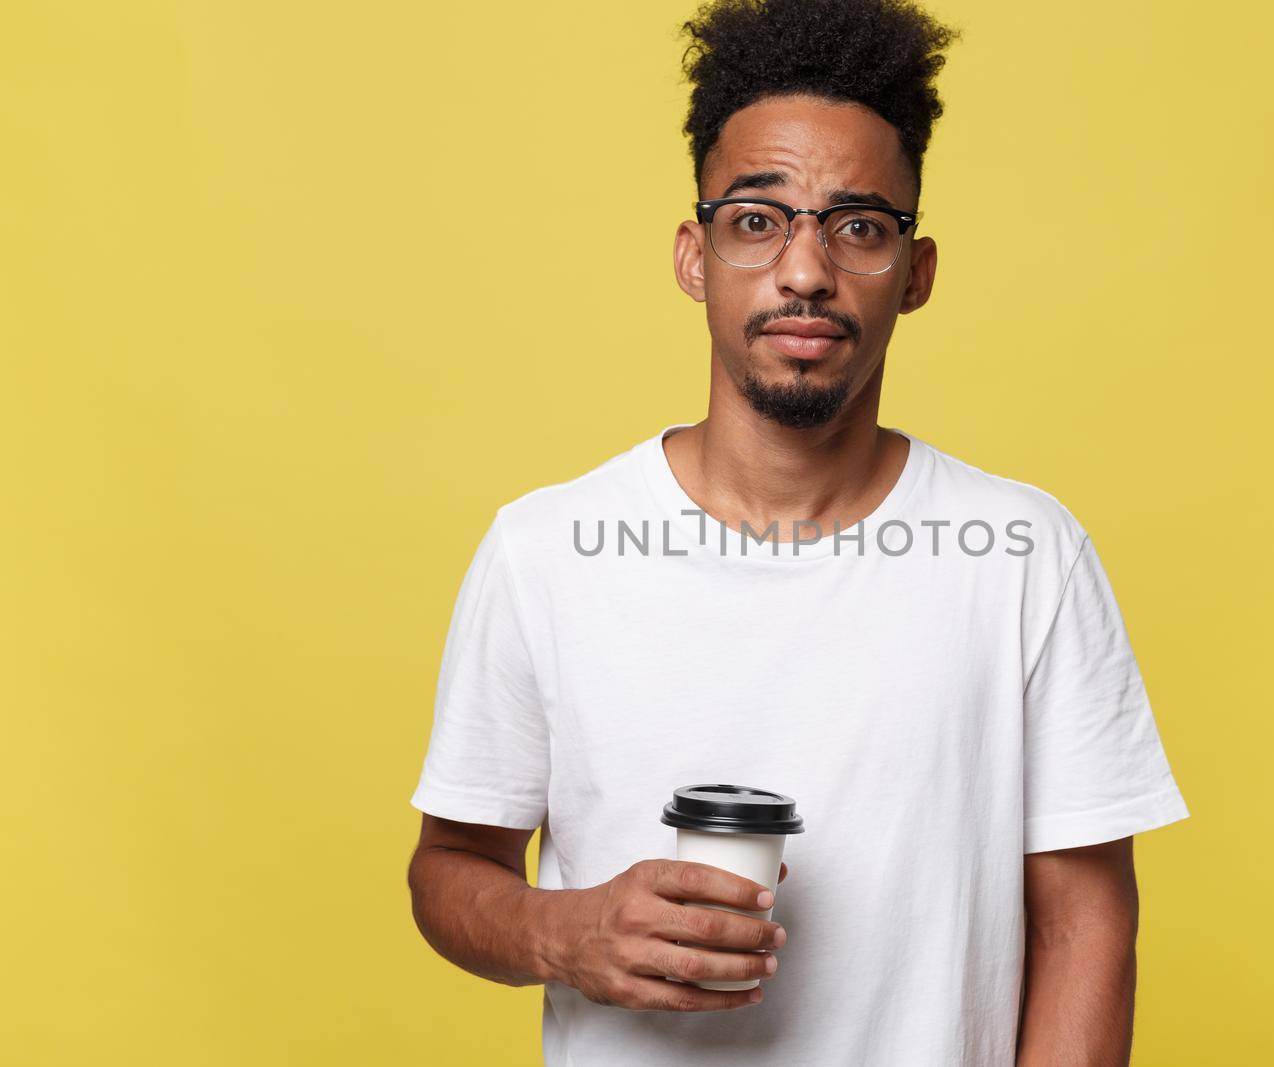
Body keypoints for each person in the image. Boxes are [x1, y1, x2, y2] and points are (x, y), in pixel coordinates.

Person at [406, 0, 1190, 1063]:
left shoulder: (1022, 553)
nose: (807, 269)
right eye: (758, 218)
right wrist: (565, 930)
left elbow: (1082, 916)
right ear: (696, 255)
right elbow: (450, 865)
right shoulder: (546, 547)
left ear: (915, 273)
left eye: (859, 224)